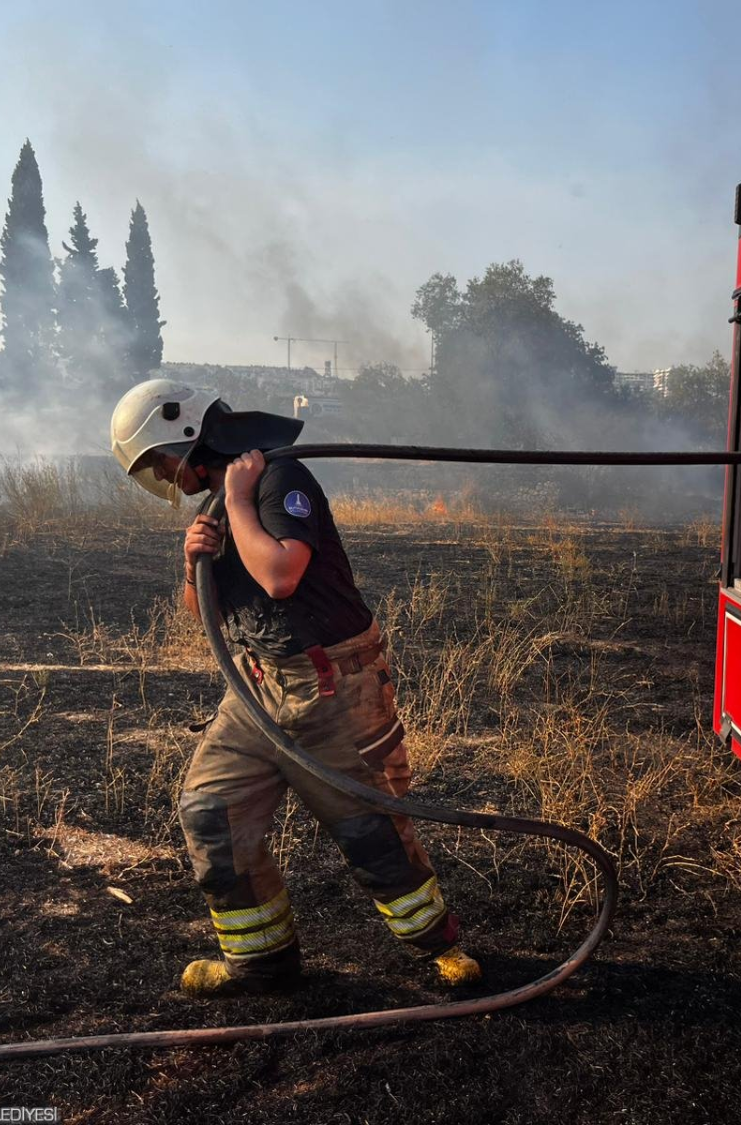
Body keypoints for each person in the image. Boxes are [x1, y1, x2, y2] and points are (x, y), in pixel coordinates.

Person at [109, 378, 481, 997]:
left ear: (186, 435)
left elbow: (281, 575)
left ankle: (439, 946)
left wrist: (237, 502)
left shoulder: (278, 479)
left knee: (370, 831)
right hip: (256, 687)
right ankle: (262, 964)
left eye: (162, 461)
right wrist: (192, 561)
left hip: (334, 686)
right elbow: (206, 612)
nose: (166, 476)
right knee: (210, 812)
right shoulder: (221, 501)